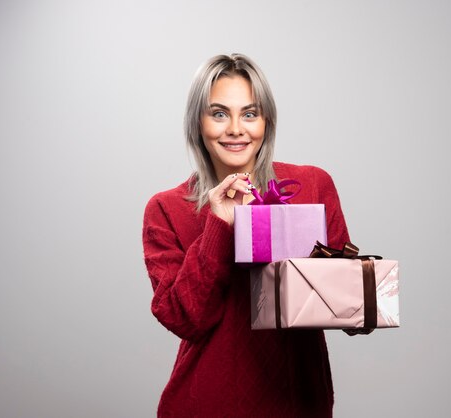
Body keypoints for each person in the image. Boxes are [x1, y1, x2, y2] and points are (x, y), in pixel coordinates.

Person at [142, 53, 350, 418]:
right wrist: (219, 225)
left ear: (266, 122)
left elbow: (341, 305)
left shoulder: (313, 184)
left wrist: (360, 304)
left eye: (250, 113)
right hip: (204, 404)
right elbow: (187, 320)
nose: (236, 128)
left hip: (298, 403)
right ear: (198, 123)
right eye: (219, 113)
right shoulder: (165, 209)